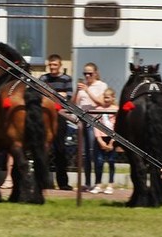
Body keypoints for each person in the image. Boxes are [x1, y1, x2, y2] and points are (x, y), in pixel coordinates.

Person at [40, 54, 73, 190]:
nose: (52, 68)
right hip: (45, 116)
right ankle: (43, 181)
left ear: (60, 65)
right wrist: (58, 95)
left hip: (60, 116)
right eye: (50, 65)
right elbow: (39, 94)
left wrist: (50, 95)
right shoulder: (43, 78)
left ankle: (63, 182)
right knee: (43, 150)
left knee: (60, 150)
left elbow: (68, 97)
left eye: (55, 65)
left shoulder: (67, 79)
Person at [74, 62, 108, 191]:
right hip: (82, 120)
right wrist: (78, 91)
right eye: (85, 73)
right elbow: (74, 103)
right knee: (84, 154)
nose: (87, 76)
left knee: (94, 152)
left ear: (96, 73)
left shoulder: (101, 85)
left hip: (94, 121)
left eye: (90, 73)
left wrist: (87, 91)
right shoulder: (82, 87)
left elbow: (100, 102)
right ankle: (87, 182)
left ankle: (98, 182)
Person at [90, 87, 118, 194]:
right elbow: (95, 125)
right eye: (105, 98)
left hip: (112, 138)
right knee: (99, 162)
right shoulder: (98, 110)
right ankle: (98, 184)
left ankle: (110, 184)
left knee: (111, 161)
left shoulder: (116, 109)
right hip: (101, 138)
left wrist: (112, 141)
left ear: (113, 98)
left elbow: (117, 126)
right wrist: (100, 140)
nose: (106, 100)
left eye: (108, 98)